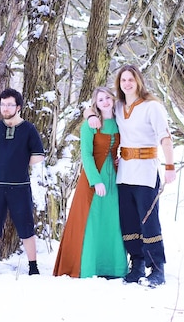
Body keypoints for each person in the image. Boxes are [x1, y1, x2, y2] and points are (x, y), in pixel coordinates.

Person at [86, 65, 176, 287]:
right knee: (128, 221)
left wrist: (170, 166)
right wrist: (89, 116)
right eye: (123, 80)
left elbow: (165, 137)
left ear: (138, 81)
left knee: (149, 221)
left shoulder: (152, 107)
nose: (127, 83)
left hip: (145, 171)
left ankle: (157, 268)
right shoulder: (117, 105)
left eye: (131, 79)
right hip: (124, 172)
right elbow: (91, 106)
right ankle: (136, 263)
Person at [53, 87, 128, 279]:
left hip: (114, 176)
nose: (105, 102)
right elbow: (86, 155)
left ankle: (113, 267)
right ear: (95, 103)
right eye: (100, 99)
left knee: (112, 221)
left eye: (107, 98)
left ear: (113, 99)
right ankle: (88, 267)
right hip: (93, 178)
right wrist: (96, 181)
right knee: (91, 221)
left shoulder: (120, 121)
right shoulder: (91, 124)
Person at [0, 88, 45, 276]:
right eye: (3, 104)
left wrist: (18, 163)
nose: (5, 108)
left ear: (19, 107)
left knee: (26, 226)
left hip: (20, 186)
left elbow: (38, 156)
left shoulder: (28, 129)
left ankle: (33, 267)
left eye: (10, 104)